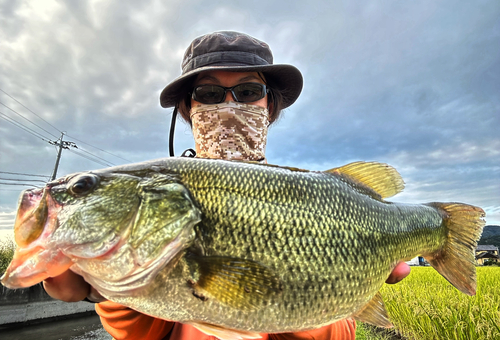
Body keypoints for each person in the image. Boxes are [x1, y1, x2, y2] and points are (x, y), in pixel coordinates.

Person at [43, 31, 411, 340]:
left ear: (269, 106)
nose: (230, 104)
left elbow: (341, 335)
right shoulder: (159, 199)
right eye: (209, 94)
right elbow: (142, 333)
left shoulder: (322, 200)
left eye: (249, 91)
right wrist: (104, 287)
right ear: (188, 109)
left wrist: (306, 309)